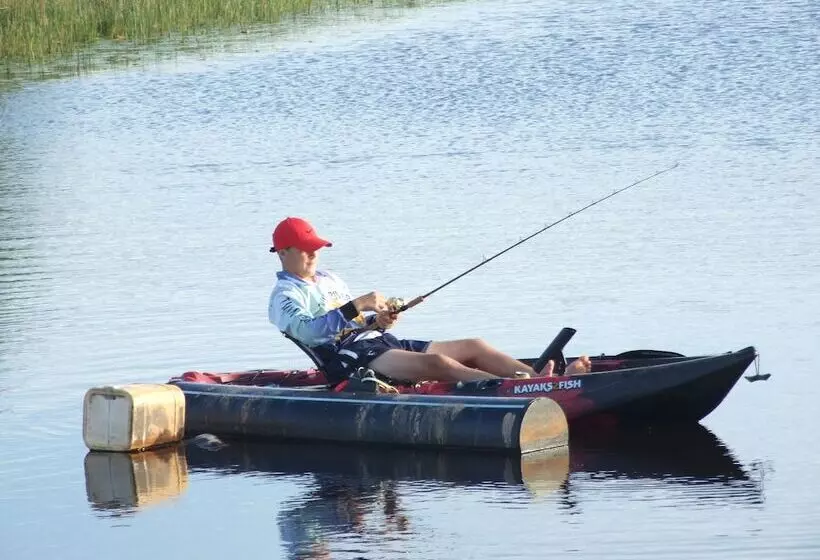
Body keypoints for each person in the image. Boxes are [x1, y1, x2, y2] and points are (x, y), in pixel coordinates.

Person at [268, 217, 591, 385]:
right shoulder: (283, 297)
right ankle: (513, 391)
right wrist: (357, 306)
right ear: (284, 252)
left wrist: (379, 320)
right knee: (438, 365)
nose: (313, 253)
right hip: (347, 359)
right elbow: (310, 333)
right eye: (304, 248)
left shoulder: (330, 278)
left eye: (315, 246)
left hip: (376, 342)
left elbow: (354, 321)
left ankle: (538, 381)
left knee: (474, 345)